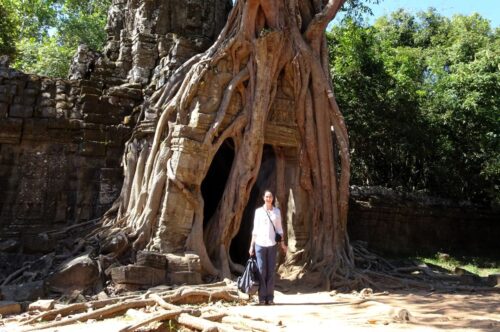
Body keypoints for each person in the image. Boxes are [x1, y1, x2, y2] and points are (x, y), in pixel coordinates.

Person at [249, 190, 287, 305]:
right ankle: (262, 298)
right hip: (260, 244)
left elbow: (280, 230)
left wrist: (283, 244)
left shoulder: (277, 212)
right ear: (263, 198)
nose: (268, 198)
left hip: (272, 245)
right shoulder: (258, 212)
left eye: (270, 196)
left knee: (270, 271)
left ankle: (270, 298)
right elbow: (255, 230)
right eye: (266, 196)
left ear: (273, 198)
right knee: (261, 271)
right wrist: (252, 246)